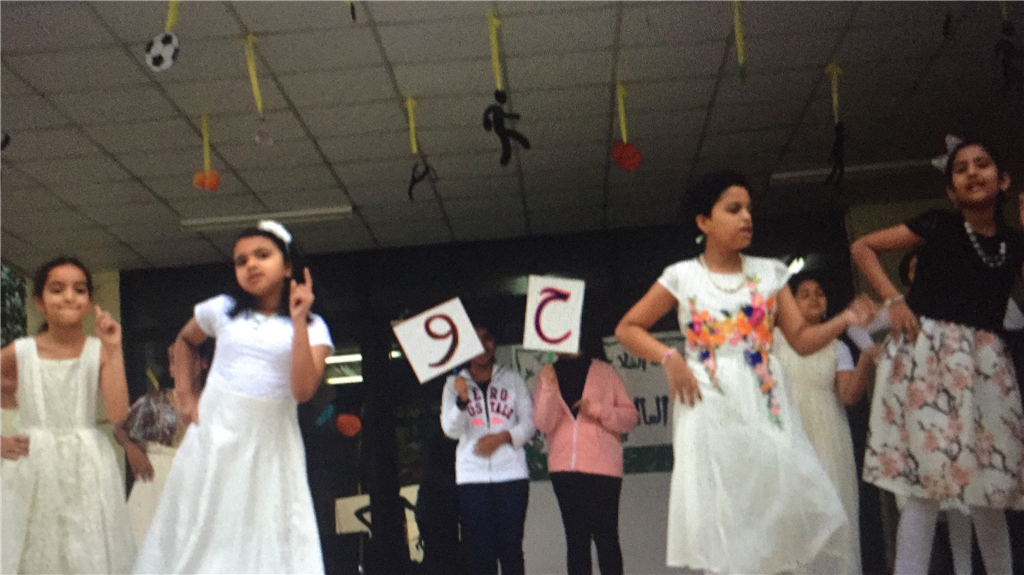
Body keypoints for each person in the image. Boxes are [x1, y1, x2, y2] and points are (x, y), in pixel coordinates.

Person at [614, 170, 875, 574]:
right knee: (724, 510)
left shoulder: (770, 273)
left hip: (765, 398)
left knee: (779, 503)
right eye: (733, 209)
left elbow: (801, 340)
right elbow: (628, 328)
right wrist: (670, 358)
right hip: (707, 401)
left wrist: (844, 320)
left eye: (749, 209)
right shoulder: (682, 276)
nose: (746, 217)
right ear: (704, 221)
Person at [850, 137, 1024, 575]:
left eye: (982, 164)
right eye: (960, 169)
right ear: (951, 190)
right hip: (930, 355)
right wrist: (894, 299)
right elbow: (862, 247)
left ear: (1003, 180)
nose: (972, 173)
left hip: (986, 364)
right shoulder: (939, 224)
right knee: (925, 485)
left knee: (990, 487)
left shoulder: (1013, 241)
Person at [133, 220, 335, 574]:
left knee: (267, 529)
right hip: (216, 437)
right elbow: (185, 340)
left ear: (288, 266)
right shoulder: (222, 309)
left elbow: (303, 390)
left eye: (262, 255)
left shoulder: (314, 326)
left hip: (271, 444)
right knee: (204, 527)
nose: (251, 264)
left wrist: (299, 320)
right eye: (242, 261)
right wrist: (185, 395)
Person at [0, 256, 135, 573]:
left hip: (87, 465)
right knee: (33, 550)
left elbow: (119, 414)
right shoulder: (20, 351)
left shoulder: (99, 351)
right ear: (39, 302)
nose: (69, 297)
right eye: (57, 289)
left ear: (89, 301)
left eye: (80, 289)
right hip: (32, 462)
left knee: (88, 551)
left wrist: (114, 348)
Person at [774, 274, 879, 574]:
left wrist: (866, 359)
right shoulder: (773, 341)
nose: (814, 298)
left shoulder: (838, 348)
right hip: (788, 435)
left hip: (828, 436)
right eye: (804, 294)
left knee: (832, 513)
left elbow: (848, 395)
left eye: (819, 293)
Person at [533, 324, 639, 575]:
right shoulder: (547, 374)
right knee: (576, 541)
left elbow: (630, 418)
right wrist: (547, 387)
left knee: (606, 539)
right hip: (564, 470)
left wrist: (598, 410)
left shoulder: (605, 372)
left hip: (603, 469)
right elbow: (543, 423)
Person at [440, 326, 534, 575]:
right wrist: (461, 402)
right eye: (476, 340)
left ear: (495, 343)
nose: (483, 345)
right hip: (472, 478)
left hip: (511, 476)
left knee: (511, 550)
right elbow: (450, 430)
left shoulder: (512, 379)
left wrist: (504, 437)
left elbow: (529, 423)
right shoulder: (453, 384)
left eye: (488, 338)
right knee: (481, 554)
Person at [115, 339, 213, 546]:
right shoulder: (153, 402)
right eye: (172, 359)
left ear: (203, 362)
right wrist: (131, 449)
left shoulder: (215, 404)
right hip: (156, 486)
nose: (177, 364)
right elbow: (120, 429)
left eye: (185, 357)